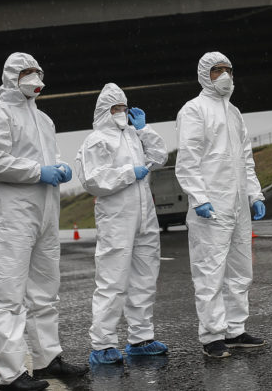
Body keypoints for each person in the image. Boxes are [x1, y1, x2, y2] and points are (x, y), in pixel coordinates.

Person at [0, 52, 88, 391]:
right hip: (13, 216)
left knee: (45, 292)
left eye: (37, 72)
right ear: (11, 77)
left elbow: (46, 157)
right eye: (27, 72)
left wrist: (60, 167)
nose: (34, 79)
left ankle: (48, 359)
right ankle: (11, 374)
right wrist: (39, 172)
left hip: (46, 215)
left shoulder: (44, 120)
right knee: (8, 296)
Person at [176, 51, 267, 359]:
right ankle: (212, 335)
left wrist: (254, 194)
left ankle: (235, 329)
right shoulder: (194, 110)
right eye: (218, 70)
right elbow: (187, 159)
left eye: (229, 69)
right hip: (211, 205)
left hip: (239, 203)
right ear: (205, 74)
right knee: (210, 271)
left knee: (241, 269)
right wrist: (199, 198)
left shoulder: (234, 112)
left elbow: (246, 158)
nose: (225, 75)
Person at [76, 83, 170, 365]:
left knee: (145, 278)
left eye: (124, 108)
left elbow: (159, 158)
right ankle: (102, 344)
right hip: (117, 217)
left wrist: (145, 130)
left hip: (145, 215)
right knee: (112, 280)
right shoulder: (96, 140)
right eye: (115, 108)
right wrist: (130, 172)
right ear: (104, 111)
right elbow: (94, 180)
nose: (121, 113)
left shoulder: (133, 135)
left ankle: (141, 338)